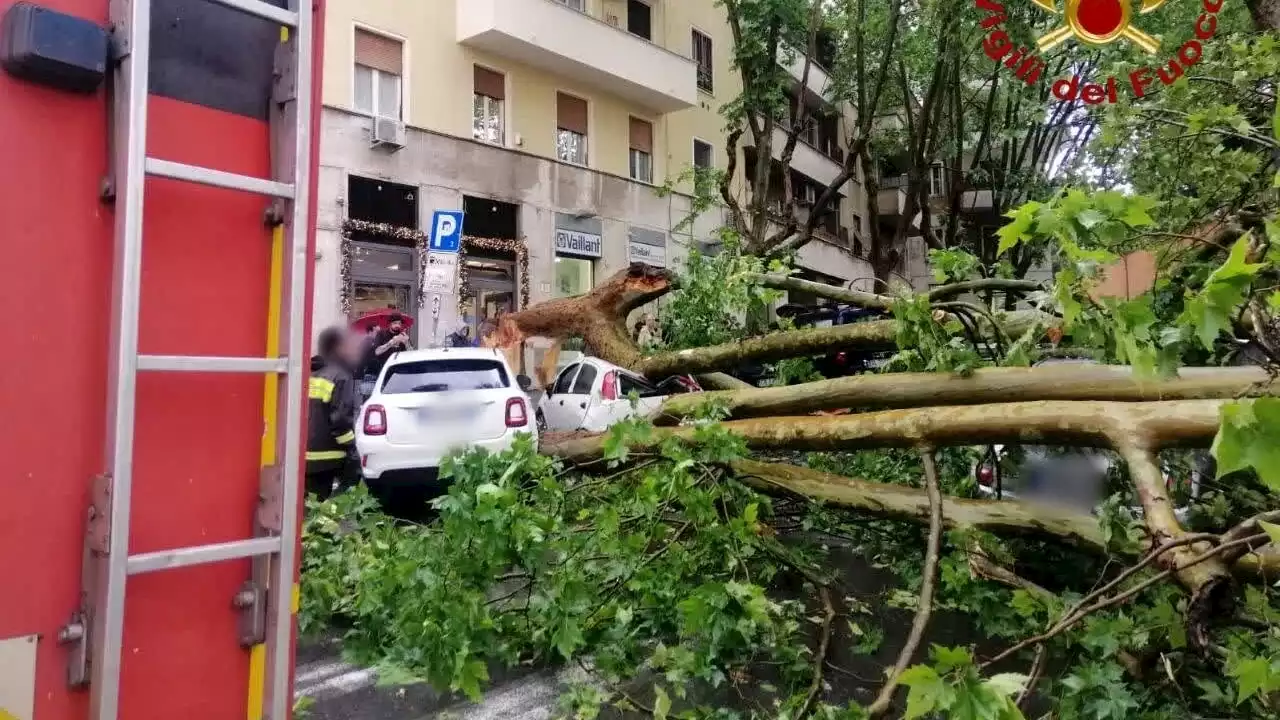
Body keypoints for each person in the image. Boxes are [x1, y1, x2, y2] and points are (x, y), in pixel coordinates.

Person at [306, 326, 361, 500]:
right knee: (335, 507)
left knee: (309, 507)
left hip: (304, 455)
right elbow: (340, 421)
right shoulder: (340, 376)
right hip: (330, 457)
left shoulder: (309, 373)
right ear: (338, 349)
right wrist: (352, 447)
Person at [361, 312, 411, 381]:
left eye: (399, 323)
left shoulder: (402, 335)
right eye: (395, 323)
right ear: (390, 323)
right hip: (384, 370)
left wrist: (406, 343)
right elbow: (377, 351)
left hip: (399, 372)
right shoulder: (381, 334)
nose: (397, 325)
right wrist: (391, 343)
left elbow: (411, 354)